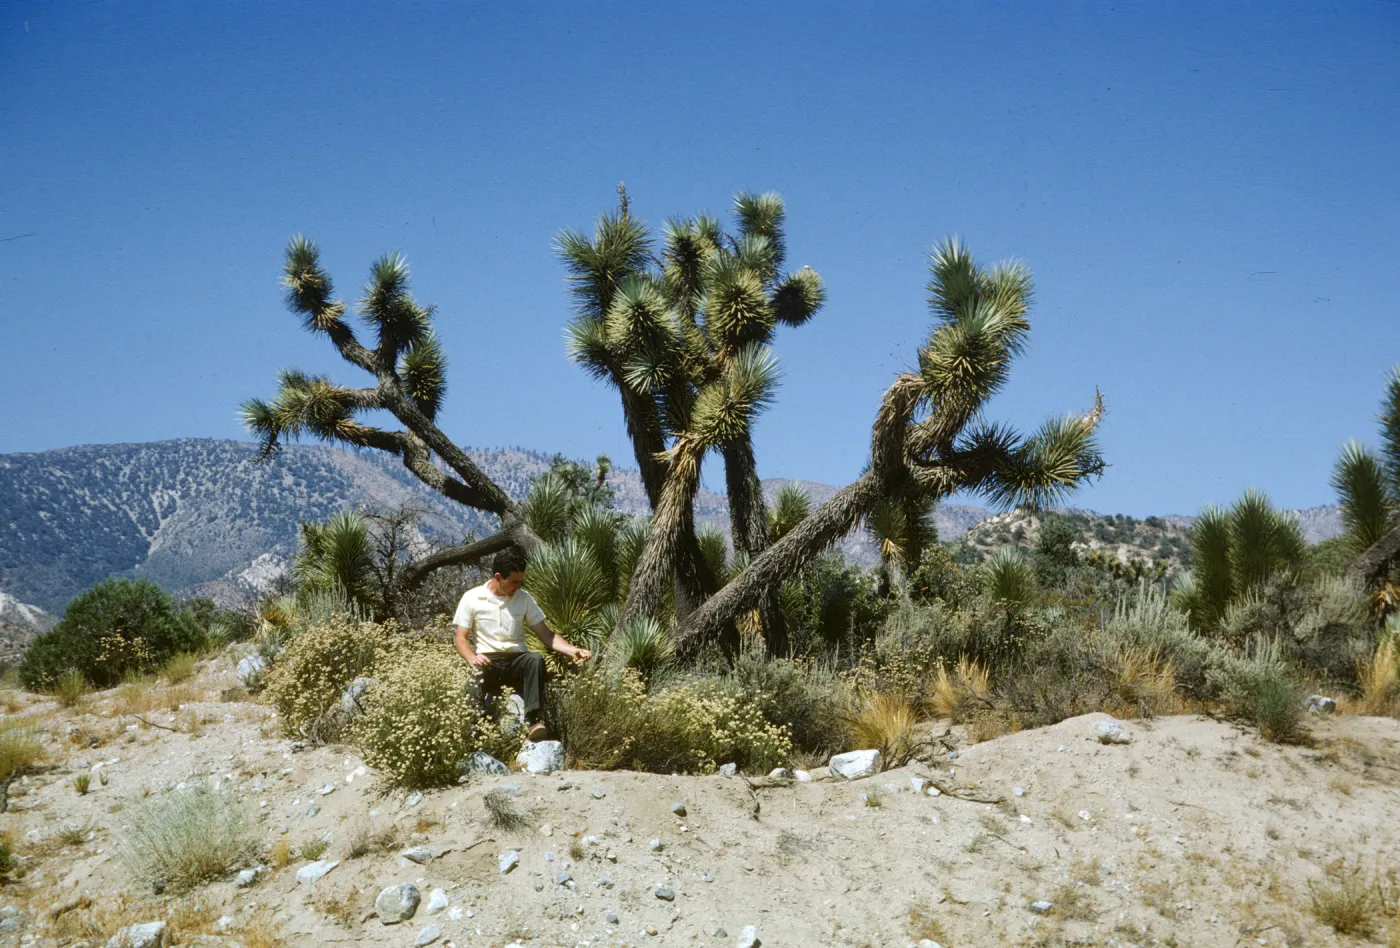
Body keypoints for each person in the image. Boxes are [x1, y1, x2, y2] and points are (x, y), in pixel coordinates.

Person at [452, 547, 591, 741]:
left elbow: (545, 633)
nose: (518, 587)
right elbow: (461, 638)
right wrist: (472, 657)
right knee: (476, 671)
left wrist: (572, 650)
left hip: (517, 661)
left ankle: (533, 721)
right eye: (514, 582)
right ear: (498, 577)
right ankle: (474, 728)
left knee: (534, 659)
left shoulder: (524, 599)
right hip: (489, 661)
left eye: (520, 582)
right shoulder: (472, 598)